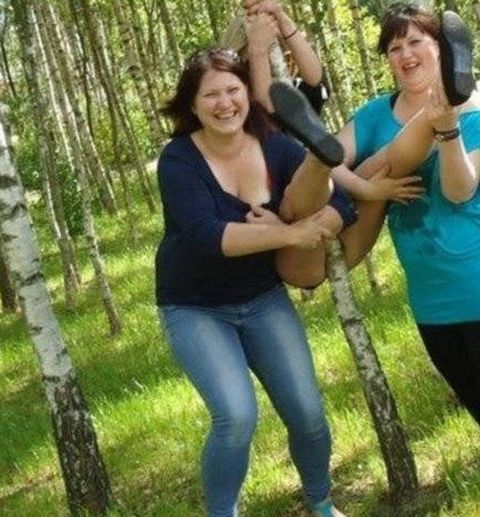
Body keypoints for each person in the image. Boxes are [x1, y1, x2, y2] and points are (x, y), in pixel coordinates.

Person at [286, 1, 480, 502]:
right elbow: (331, 160)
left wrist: (447, 129)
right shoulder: (374, 114)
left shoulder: (473, 112)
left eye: (416, 41)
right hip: (428, 276)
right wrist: (366, 188)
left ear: (441, 50)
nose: (405, 54)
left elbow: (460, 191)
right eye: (395, 47)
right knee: (459, 374)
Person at [155, 47, 351, 517]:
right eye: (211, 95)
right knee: (236, 417)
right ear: (192, 104)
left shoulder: (276, 146)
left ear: (247, 92)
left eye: (233, 90)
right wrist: (288, 234)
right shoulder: (178, 159)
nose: (225, 103)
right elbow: (207, 236)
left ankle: (321, 503)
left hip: (263, 298)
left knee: (307, 413)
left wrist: (318, 223)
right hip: (194, 306)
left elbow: (344, 204)